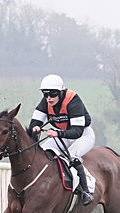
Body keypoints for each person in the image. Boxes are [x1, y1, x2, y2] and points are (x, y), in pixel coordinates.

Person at [27, 74, 95, 205]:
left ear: (61, 92)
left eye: (52, 94)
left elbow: (77, 131)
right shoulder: (45, 102)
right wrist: (35, 128)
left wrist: (57, 133)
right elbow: (34, 124)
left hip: (82, 136)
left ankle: (86, 191)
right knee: (44, 153)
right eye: (45, 94)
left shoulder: (73, 101)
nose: (49, 98)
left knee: (73, 157)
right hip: (61, 136)